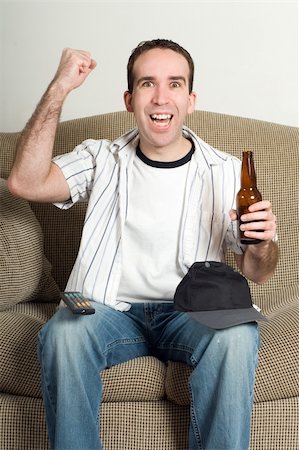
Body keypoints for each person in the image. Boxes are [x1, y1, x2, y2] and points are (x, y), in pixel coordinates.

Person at [8, 39, 278, 450]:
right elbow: (24, 183)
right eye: (148, 84)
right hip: (107, 312)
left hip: (191, 313)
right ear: (129, 99)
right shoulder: (100, 157)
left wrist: (261, 243)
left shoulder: (225, 170)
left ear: (190, 100)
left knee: (237, 334)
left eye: (174, 84)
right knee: (63, 334)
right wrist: (59, 88)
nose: (160, 97)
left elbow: (258, 271)